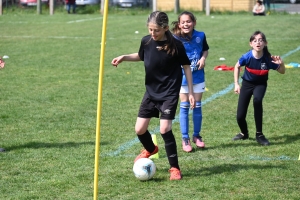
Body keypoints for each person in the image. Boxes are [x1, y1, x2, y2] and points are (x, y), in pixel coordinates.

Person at [111, 11, 195, 180]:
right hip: (151, 91)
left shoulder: (176, 45)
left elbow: (186, 66)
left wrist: (190, 92)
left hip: (169, 93)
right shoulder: (146, 41)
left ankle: (174, 168)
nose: (152, 33)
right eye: (150, 30)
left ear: (165, 28)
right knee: (139, 129)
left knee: (165, 129)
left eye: (156, 30)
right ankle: (151, 149)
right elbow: (141, 56)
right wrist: (124, 57)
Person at [232, 30, 285, 146]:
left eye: (261, 40)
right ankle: (244, 133)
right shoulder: (247, 57)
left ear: (265, 43)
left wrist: (281, 64)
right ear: (251, 44)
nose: (258, 43)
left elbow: (282, 71)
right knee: (240, 116)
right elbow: (237, 66)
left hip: (260, 84)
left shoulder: (268, 59)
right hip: (246, 84)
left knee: (257, 100)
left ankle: (259, 134)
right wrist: (236, 83)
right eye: (255, 40)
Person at [171, 11, 209, 152]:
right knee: (185, 106)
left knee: (197, 106)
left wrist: (203, 58)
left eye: (189, 21)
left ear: (194, 22)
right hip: (182, 78)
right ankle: (185, 138)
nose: (186, 24)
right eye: (183, 22)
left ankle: (197, 136)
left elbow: (205, 50)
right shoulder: (175, 38)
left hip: (198, 76)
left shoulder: (201, 36)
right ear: (179, 24)